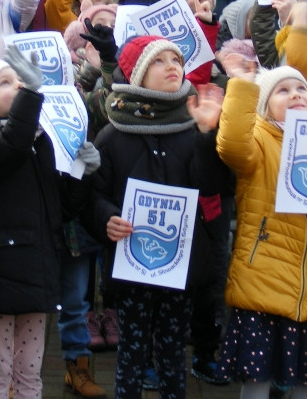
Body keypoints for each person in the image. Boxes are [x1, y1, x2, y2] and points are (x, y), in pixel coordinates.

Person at [214, 55, 307, 399]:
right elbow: (231, 146)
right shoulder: (259, 139)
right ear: (264, 106)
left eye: (301, 89)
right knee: (257, 379)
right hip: (262, 280)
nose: (295, 94)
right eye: (282, 90)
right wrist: (243, 87)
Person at [90, 35, 226, 399]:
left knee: (172, 354)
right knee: (131, 353)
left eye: (176, 60)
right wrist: (108, 219)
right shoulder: (113, 134)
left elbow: (210, 185)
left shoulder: (192, 127)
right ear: (136, 74)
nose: (173, 66)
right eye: (159, 61)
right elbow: (94, 196)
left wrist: (206, 136)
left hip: (180, 269)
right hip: (131, 268)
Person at [0, 47, 97, 399]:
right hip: (0, 271)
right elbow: (6, 152)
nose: (18, 86)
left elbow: (63, 206)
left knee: (29, 371)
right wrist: (31, 96)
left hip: (39, 270)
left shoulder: (41, 141)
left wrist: (83, 172)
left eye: (20, 81)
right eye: (6, 83)